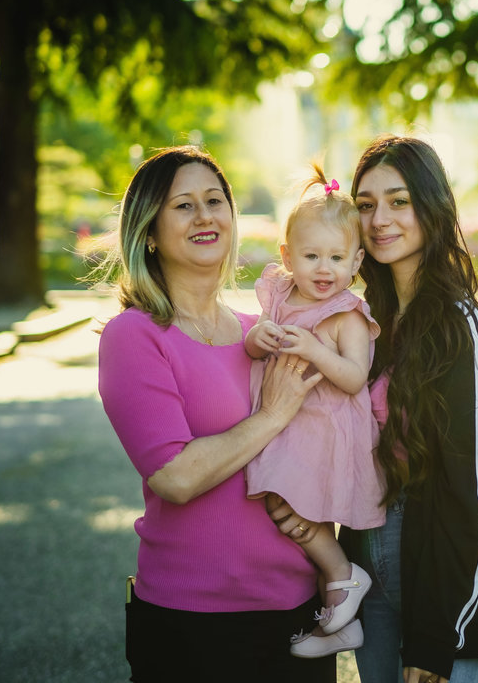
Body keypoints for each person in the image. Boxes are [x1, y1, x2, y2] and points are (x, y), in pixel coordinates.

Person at [269, 135, 478, 683]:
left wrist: (438, 639)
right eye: (365, 204)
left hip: (432, 554)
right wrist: (305, 507)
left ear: (431, 207)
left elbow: (477, 490)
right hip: (364, 542)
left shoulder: (463, 328)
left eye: (399, 201)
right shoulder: (360, 321)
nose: (380, 218)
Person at [95, 145, 334, 682]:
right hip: (194, 623)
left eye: (214, 200)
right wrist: (271, 416)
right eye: (183, 206)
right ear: (150, 231)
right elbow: (175, 477)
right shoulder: (133, 336)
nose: (205, 216)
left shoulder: (263, 329)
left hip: (298, 611)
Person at [244, 165, 385, 657]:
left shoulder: (348, 313)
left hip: (326, 431)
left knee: (293, 509)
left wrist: (316, 349)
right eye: (311, 256)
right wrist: (257, 339)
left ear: (357, 260)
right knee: (283, 508)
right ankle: (342, 611)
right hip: (285, 425)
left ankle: (344, 577)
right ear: (287, 257)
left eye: (336, 257)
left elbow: (353, 378)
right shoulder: (280, 297)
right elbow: (261, 350)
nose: (324, 269)